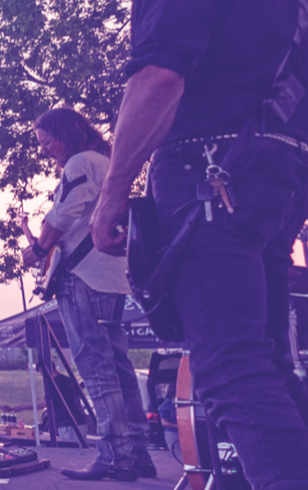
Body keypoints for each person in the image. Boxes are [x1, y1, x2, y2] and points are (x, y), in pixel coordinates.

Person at [89, 0, 308, 487]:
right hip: (280, 173)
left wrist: (112, 194)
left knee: (231, 366)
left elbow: (159, 77)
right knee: (266, 360)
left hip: (209, 171)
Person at [23, 107, 158, 481]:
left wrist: (37, 249)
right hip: (113, 277)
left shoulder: (79, 163)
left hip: (83, 279)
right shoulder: (106, 162)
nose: (45, 150)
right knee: (119, 367)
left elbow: (64, 215)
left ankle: (115, 456)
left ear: (64, 133)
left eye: (46, 142)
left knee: (97, 370)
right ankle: (139, 452)